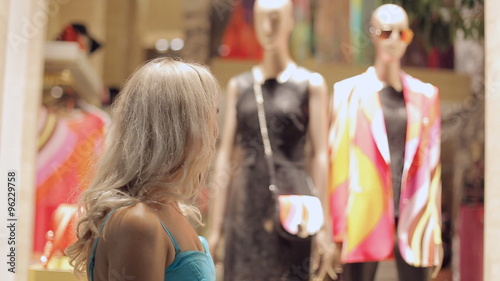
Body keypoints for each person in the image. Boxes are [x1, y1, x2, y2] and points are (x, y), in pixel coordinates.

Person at [207, 0, 332, 280]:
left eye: (276, 18)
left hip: (293, 201)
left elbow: (321, 154)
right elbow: (226, 155)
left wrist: (324, 226)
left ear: (290, 22)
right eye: (262, 19)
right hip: (246, 203)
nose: (267, 27)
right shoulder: (240, 86)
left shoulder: (310, 84)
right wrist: (215, 229)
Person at [66, 58, 220, 281]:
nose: (214, 132)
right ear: (182, 129)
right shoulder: (138, 221)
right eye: (209, 116)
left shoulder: (166, 207)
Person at [328, 4, 442, 281]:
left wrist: (434, 230)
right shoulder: (348, 93)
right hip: (365, 212)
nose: (393, 41)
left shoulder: (426, 96)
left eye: (402, 34)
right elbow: (338, 165)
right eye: (386, 33)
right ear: (373, 34)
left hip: (413, 214)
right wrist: (336, 231)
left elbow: (433, 168)